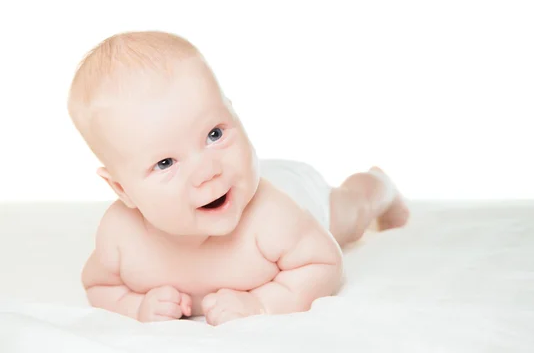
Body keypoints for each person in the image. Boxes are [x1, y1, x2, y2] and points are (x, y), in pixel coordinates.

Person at [68, 31, 410, 326]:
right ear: (121, 189)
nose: (208, 170)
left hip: (301, 192)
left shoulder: (272, 216)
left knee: (350, 213)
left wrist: (261, 303)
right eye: (166, 163)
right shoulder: (121, 238)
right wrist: (137, 307)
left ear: (232, 111)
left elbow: (324, 264)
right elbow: (99, 287)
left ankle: (379, 186)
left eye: (215, 134)